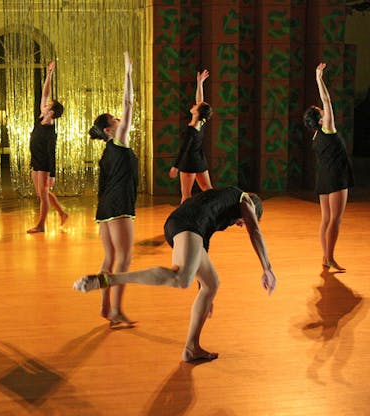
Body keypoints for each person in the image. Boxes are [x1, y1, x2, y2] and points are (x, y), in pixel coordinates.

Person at [74, 186, 277, 362]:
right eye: (245, 221)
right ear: (252, 207)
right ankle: (110, 280)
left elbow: (202, 241)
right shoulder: (245, 200)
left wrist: (204, 290)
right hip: (188, 225)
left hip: (183, 224)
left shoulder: (223, 199)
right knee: (180, 279)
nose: (241, 224)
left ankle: (191, 348)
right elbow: (255, 232)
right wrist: (267, 268)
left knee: (211, 283)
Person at [86, 51, 138, 326]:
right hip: (119, 206)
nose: (120, 119)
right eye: (115, 119)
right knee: (124, 261)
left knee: (110, 259)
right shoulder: (118, 141)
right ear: (109, 130)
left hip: (105, 207)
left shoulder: (107, 152)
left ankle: (106, 307)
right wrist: (128, 74)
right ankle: (116, 310)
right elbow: (129, 103)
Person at [303, 63, 354, 272]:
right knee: (335, 219)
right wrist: (318, 78)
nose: (324, 110)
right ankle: (330, 257)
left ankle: (326, 257)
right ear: (320, 119)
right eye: (321, 111)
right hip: (336, 178)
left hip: (323, 179)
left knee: (326, 219)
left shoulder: (316, 137)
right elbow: (327, 99)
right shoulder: (328, 129)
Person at [27, 61, 68, 233]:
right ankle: (62, 213)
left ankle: (41, 225)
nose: (45, 104)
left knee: (43, 195)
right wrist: (49, 74)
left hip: (44, 164)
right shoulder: (41, 117)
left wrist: (52, 175)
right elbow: (45, 93)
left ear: (51, 112)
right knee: (41, 193)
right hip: (35, 160)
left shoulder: (50, 131)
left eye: (48, 105)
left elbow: (52, 154)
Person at [169, 70, 213, 203]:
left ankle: (182, 221)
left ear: (197, 112)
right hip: (200, 160)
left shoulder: (191, 130)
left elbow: (184, 150)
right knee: (208, 189)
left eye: (196, 106)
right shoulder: (202, 121)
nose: (194, 105)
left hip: (189, 163)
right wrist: (200, 83)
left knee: (186, 196)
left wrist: (175, 167)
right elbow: (200, 101)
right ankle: (217, 212)